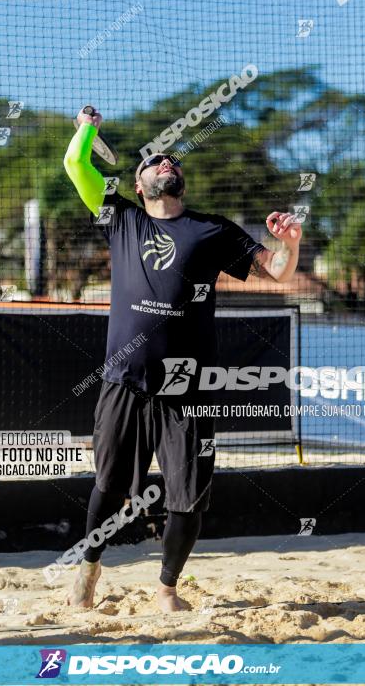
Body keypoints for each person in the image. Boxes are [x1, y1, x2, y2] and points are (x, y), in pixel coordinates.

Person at [63, 107, 302, 612]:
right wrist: (88, 127)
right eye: (153, 161)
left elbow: (277, 271)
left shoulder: (212, 230)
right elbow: (74, 165)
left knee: (188, 499)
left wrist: (290, 244)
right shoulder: (120, 217)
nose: (163, 162)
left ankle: (167, 589)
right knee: (107, 489)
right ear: (138, 182)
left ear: (178, 182)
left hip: (187, 391)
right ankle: (89, 569)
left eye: (170, 160)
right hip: (125, 383)